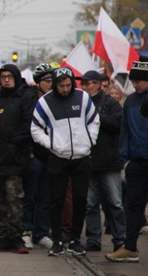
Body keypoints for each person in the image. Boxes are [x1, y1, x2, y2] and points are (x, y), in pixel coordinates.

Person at [31, 67, 100, 256]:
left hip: (82, 156)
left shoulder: (83, 97)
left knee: (80, 199)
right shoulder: (44, 102)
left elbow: (94, 120)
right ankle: (57, 241)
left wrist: (89, 140)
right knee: (56, 199)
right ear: (55, 85)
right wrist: (52, 144)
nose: (65, 89)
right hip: (58, 157)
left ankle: (75, 239)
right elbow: (36, 129)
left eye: (68, 85)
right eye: (61, 85)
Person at [0, 64, 37, 254]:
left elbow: (28, 124)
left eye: (9, 76)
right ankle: (3, 236)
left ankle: (16, 237)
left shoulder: (25, 96)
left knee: (14, 198)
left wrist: (12, 141)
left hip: (15, 157)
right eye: (2, 77)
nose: (6, 80)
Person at [78, 70, 125, 253]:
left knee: (115, 203)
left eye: (89, 83)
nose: (86, 86)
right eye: (84, 83)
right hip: (89, 160)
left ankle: (120, 238)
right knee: (90, 204)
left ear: (98, 84)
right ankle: (93, 239)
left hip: (109, 161)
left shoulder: (110, 103)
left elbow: (117, 123)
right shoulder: (81, 104)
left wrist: (96, 118)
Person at [105, 60, 148, 263]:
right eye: (134, 81)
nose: (136, 84)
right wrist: (125, 160)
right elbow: (125, 131)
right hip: (136, 162)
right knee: (134, 207)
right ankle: (129, 248)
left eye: (140, 81)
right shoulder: (130, 101)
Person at [21, 63, 55, 250]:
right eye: (47, 81)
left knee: (45, 198)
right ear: (38, 83)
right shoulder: (30, 100)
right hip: (34, 157)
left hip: (51, 157)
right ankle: (26, 230)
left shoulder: (57, 100)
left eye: (53, 80)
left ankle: (41, 232)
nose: (51, 84)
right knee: (30, 196)